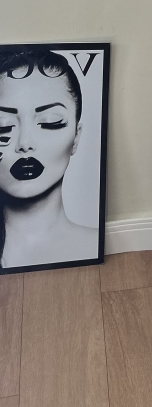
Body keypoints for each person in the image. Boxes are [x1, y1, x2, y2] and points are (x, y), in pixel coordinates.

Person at [0, 48, 98, 269]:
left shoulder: (93, 245)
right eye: (3, 126)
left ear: (76, 137)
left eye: (50, 122)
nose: (25, 143)